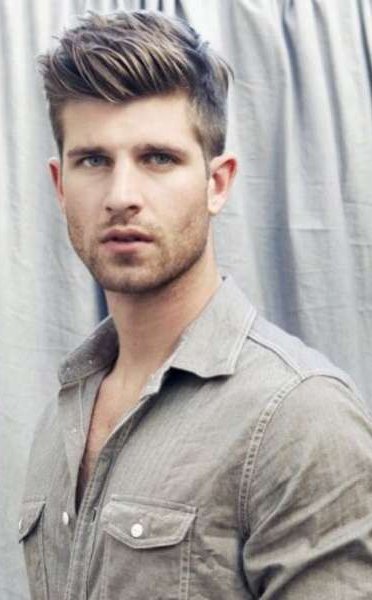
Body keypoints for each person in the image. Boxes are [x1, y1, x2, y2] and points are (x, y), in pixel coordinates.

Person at [19, 9, 372, 600]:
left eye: (158, 158)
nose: (121, 196)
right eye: (93, 160)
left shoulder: (300, 415)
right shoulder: (62, 419)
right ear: (60, 185)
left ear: (217, 183)